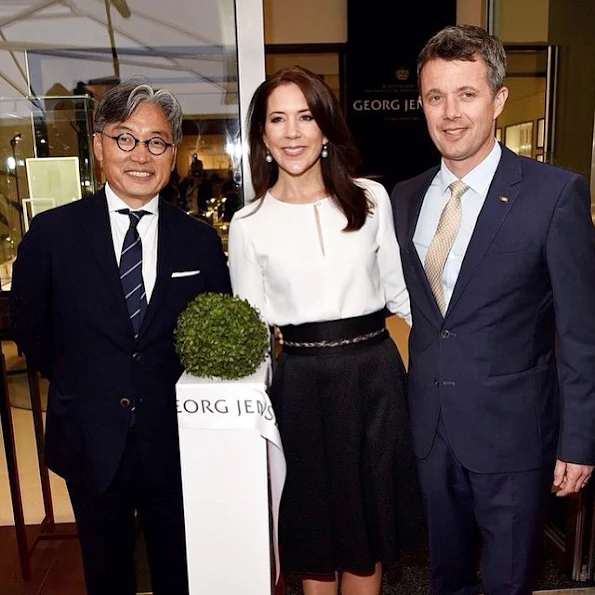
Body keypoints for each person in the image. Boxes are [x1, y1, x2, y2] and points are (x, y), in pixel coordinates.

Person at [391, 25, 595, 595]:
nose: (450, 113)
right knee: (444, 576)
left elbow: (582, 332)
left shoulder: (555, 195)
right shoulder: (405, 197)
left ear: (499, 99)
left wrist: (579, 441)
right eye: (435, 97)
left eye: (467, 94)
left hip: (514, 436)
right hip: (431, 431)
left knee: (509, 581)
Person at [10, 79, 231, 595]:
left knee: (179, 573)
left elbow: (212, 334)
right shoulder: (52, 235)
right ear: (98, 144)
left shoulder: (197, 242)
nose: (140, 154)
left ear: (173, 154)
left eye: (156, 142)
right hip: (90, 440)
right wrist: (84, 385)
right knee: (105, 576)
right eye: (125, 138)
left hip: (176, 444)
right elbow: (31, 328)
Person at [228, 66, 421, 595]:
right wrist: (250, 419)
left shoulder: (371, 198)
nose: (293, 132)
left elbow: (400, 295)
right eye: (277, 119)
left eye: (305, 116)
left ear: (326, 127)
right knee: (315, 529)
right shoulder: (248, 225)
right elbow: (252, 333)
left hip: (375, 377)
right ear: (262, 137)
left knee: (368, 524)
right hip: (302, 388)